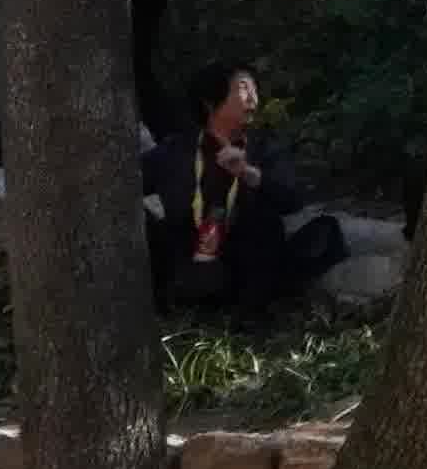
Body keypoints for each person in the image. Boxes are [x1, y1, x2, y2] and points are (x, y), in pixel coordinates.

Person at [141, 63, 347, 313]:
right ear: (210, 103)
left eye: (254, 90)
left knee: (294, 227)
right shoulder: (174, 151)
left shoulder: (263, 148)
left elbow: (292, 198)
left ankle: (251, 313)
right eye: (243, 89)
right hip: (187, 260)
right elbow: (130, 184)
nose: (253, 99)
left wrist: (248, 173)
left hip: (244, 267)